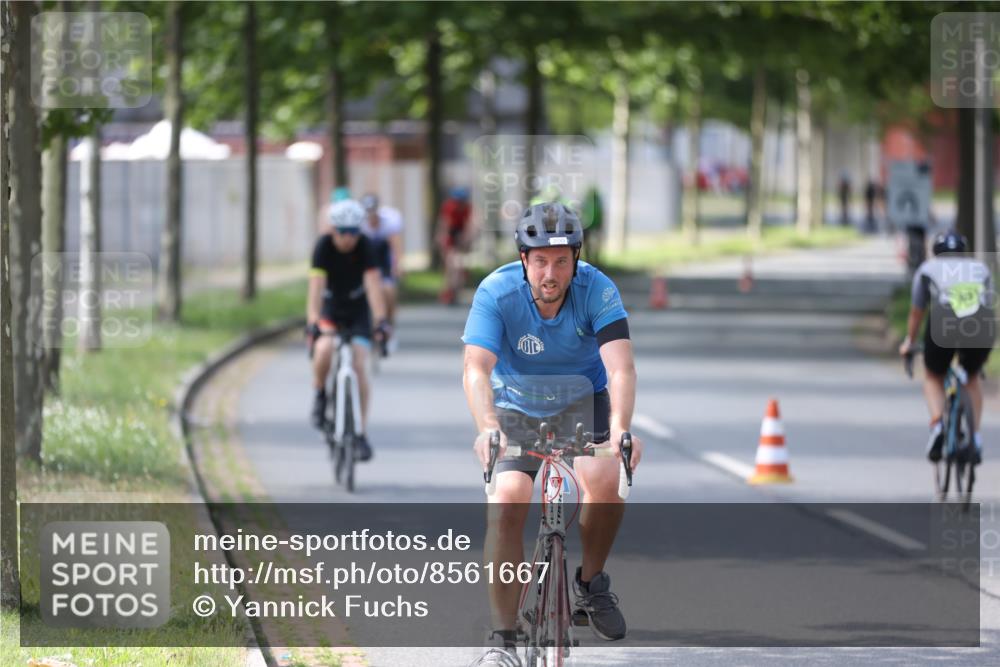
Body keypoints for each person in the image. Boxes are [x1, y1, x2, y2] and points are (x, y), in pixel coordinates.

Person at [462, 202, 643, 665]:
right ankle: (502, 639)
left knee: (604, 482)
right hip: (515, 407)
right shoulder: (497, 291)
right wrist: (487, 428)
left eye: (561, 260)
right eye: (540, 260)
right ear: (523, 259)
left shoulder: (597, 289)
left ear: (576, 259)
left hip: (583, 400)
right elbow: (476, 369)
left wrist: (621, 429)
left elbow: (619, 367)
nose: (551, 271)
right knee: (507, 500)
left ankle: (590, 583)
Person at [899, 230, 995, 464]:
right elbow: (988, 303)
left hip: (943, 320)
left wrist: (909, 342)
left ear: (935, 251)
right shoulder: (980, 268)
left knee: (933, 375)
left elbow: (917, 312)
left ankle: (937, 426)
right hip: (980, 322)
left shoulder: (927, 268)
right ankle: (975, 438)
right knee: (971, 377)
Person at [306, 199, 391, 462]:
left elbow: (373, 285)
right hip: (331, 307)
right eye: (343, 231)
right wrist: (313, 320)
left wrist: (381, 320)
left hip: (357, 310)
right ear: (333, 230)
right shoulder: (323, 247)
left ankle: (360, 434)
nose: (348, 238)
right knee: (324, 349)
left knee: (359, 364)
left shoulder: (365, 246)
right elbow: (316, 287)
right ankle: (320, 394)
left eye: (354, 231)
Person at [360, 193, 404, 331]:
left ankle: (389, 323)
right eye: (367, 212)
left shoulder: (387, 223)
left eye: (372, 211)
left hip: (384, 263)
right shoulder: (361, 225)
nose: (370, 215)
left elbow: (395, 246)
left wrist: (398, 265)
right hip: (367, 263)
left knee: (388, 292)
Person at [436, 186, 473, 305]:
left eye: (461, 202)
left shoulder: (468, 208)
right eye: (458, 202)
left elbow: (470, 225)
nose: (459, 205)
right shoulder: (449, 207)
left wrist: (467, 239)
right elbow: (444, 224)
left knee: (460, 266)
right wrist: (442, 239)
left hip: (460, 234)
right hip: (450, 235)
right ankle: (448, 292)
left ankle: (455, 290)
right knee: (451, 264)